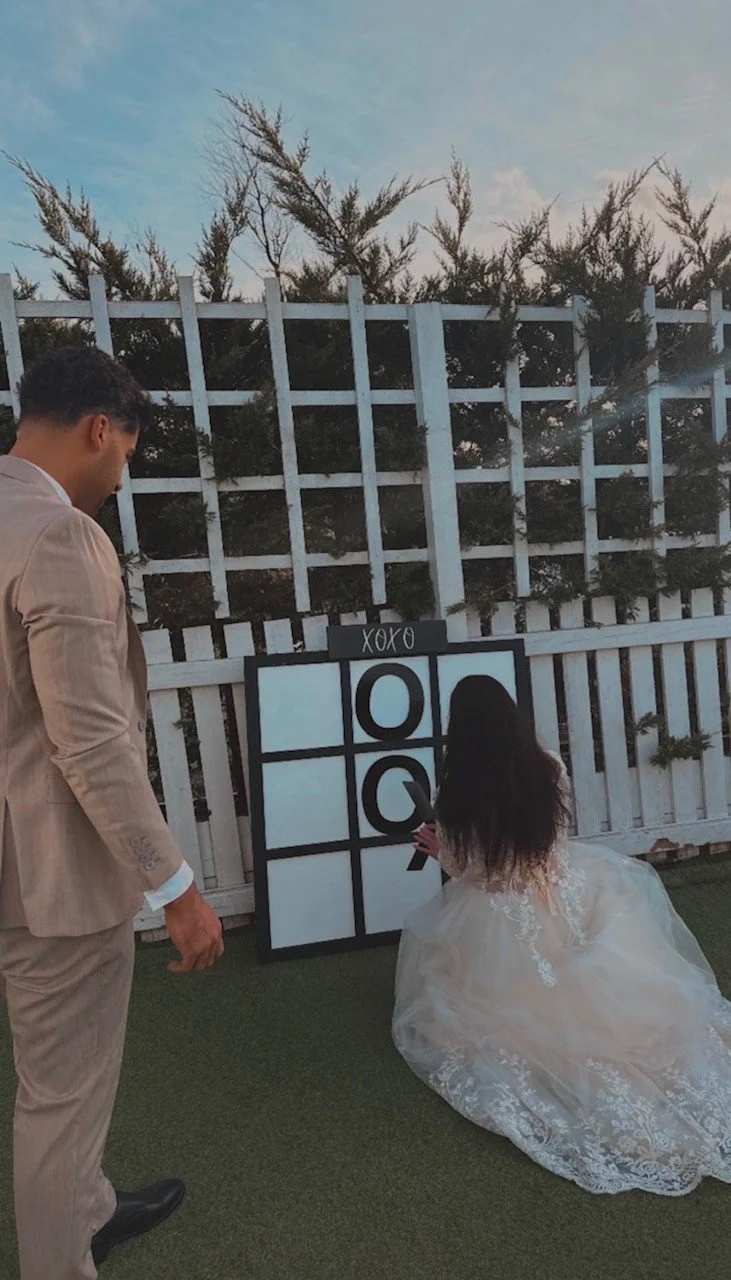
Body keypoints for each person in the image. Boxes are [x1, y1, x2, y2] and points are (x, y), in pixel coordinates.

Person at [0, 345, 224, 1279]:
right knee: (60, 1099)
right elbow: (91, 743)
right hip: (46, 875)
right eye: (126, 455)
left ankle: (90, 1207)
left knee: (52, 1092)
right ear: (101, 429)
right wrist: (176, 888)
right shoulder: (60, 538)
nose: (121, 478)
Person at [393, 674, 731, 1195]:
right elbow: (552, 839)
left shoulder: (457, 791)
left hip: (503, 912)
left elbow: (477, 872)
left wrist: (440, 847)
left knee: (466, 997)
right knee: (617, 972)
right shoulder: (549, 766)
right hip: (570, 885)